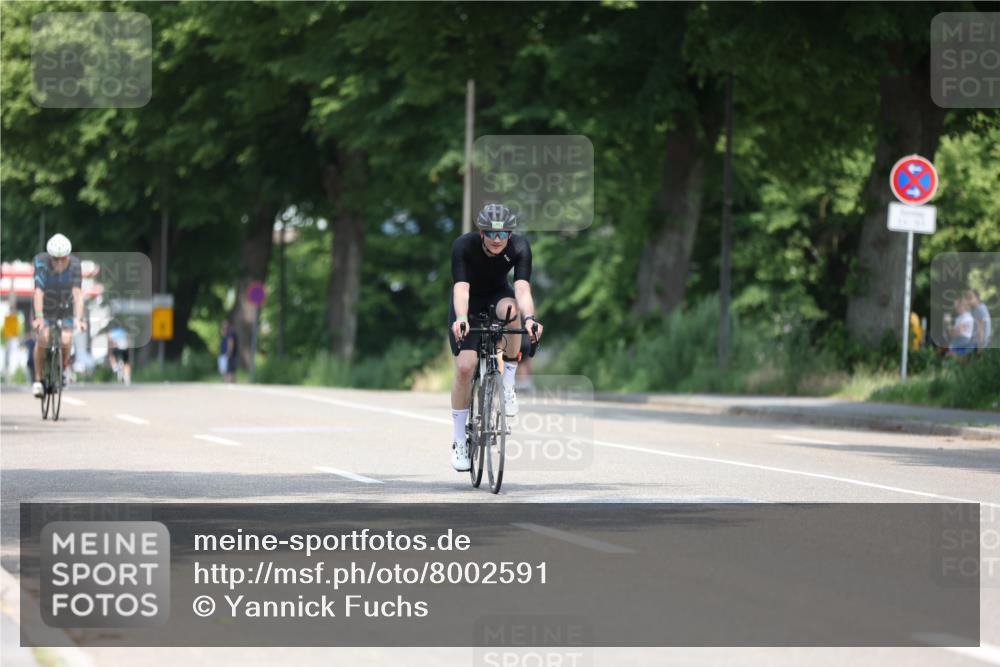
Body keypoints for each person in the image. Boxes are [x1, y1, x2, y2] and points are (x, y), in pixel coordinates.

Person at [447, 203, 544, 472]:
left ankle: (508, 384)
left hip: (499, 296)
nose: (499, 240)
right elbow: (461, 289)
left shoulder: (520, 247)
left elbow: (522, 289)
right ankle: (459, 442)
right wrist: (462, 319)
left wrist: (530, 319)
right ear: (481, 232)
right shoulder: (463, 246)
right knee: (465, 367)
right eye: (492, 234)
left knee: (512, 311)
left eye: (504, 234)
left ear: (511, 235)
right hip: (468, 303)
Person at [31, 234, 86, 397]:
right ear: (50, 257)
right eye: (56, 259)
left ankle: (62, 368)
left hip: (65, 305)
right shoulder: (41, 262)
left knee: (66, 339)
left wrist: (79, 319)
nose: (60, 262)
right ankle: (38, 379)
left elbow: (77, 295)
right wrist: (39, 316)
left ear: (68, 256)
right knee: (42, 337)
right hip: (45, 305)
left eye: (63, 259)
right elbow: (38, 292)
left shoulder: (75, 265)